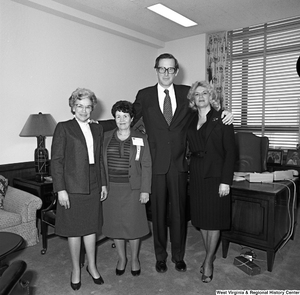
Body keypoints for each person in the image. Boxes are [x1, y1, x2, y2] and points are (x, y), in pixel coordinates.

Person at [132, 53, 234, 273]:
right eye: (162, 69)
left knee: (178, 214)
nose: (166, 73)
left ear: (176, 71)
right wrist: (96, 125)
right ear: (156, 70)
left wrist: (227, 113)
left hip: (180, 165)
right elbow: (128, 120)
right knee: (158, 214)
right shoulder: (144, 95)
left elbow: (207, 110)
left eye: (171, 69)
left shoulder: (185, 93)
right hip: (157, 164)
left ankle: (178, 256)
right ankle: (160, 256)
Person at [51, 88, 108, 291]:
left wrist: (103, 183)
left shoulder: (97, 129)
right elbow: (56, 161)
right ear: (73, 107)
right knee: (75, 230)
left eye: (88, 107)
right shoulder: (63, 128)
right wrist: (60, 189)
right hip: (72, 187)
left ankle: (92, 266)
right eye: (79, 106)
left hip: (93, 182)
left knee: (91, 227)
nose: (84, 111)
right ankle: (76, 269)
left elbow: (100, 158)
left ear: (92, 108)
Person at [186, 81, 236, 283]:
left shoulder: (222, 117)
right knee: (203, 220)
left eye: (205, 93)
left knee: (213, 219)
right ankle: (210, 255)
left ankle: (208, 261)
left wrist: (226, 181)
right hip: (197, 173)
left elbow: (231, 153)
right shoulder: (189, 119)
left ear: (211, 96)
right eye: (197, 94)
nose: (201, 96)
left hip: (216, 175)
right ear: (193, 98)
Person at [102, 100, 152, 277]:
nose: (121, 119)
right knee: (116, 225)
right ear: (114, 118)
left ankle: (135, 258)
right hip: (111, 189)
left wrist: (145, 190)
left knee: (134, 226)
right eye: (118, 116)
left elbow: (146, 165)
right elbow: (101, 163)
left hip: (133, 189)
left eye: (125, 116)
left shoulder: (141, 137)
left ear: (132, 118)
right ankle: (121, 258)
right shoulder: (105, 136)